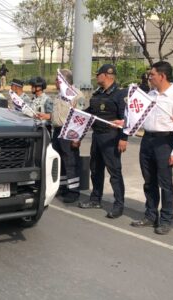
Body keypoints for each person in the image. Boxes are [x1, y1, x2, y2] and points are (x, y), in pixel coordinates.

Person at [130, 61, 173, 234]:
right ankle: (150, 215)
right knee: (149, 181)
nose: (149, 77)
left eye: (152, 74)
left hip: (165, 142)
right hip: (147, 140)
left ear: (162, 76)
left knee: (165, 183)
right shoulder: (150, 94)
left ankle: (166, 219)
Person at [77, 64, 128, 219]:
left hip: (112, 137)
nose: (96, 76)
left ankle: (118, 205)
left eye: (98, 74)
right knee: (95, 169)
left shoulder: (120, 95)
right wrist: (76, 113)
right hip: (97, 136)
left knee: (114, 172)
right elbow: (90, 113)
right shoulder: (98, 93)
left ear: (105, 75)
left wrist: (124, 138)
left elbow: (126, 119)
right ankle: (95, 199)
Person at [36, 69, 85, 203]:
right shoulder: (59, 95)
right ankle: (62, 188)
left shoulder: (77, 95)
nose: (55, 82)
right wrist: (47, 116)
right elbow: (59, 115)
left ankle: (73, 191)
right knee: (61, 162)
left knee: (71, 162)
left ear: (64, 80)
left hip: (70, 131)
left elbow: (80, 118)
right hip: (57, 131)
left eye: (57, 79)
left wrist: (77, 138)